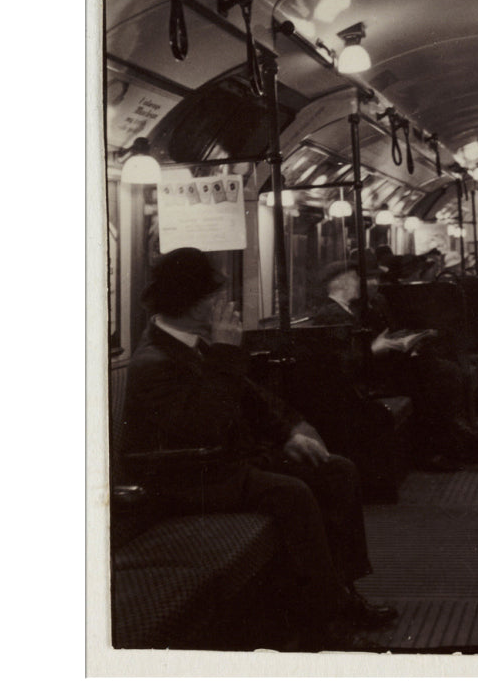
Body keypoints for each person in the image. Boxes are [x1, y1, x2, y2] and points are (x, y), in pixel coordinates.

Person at [120, 247, 397, 651]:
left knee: (336, 471)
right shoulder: (155, 360)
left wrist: (288, 434)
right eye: (212, 298)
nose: (221, 305)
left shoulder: (191, 343)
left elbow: (249, 398)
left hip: (220, 464)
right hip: (186, 477)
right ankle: (323, 614)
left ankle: (343, 592)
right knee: (292, 492)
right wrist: (227, 352)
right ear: (190, 303)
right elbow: (205, 427)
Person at [311, 253, 478, 468]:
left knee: (434, 372)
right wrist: (375, 349)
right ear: (340, 283)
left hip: (374, 371)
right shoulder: (331, 315)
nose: (362, 283)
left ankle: (455, 442)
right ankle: (447, 447)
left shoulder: (350, 309)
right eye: (356, 278)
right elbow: (344, 359)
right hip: (363, 382)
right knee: (430, 379)